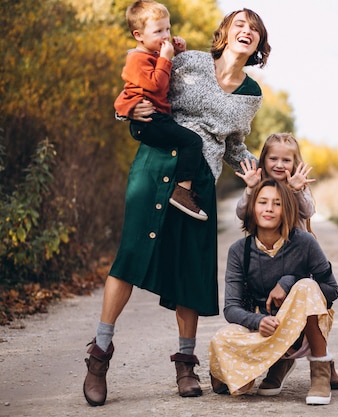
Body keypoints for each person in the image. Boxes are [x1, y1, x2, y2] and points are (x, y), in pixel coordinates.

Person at [82, 7, 271, 406]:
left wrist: (259, 170)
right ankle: (99, 355)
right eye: (240, 23)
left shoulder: (251, 94)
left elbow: (234, 143)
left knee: (191, 269)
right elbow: (142, 86)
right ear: (224, 32)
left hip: (199, 180)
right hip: (154, 164)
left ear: (259, 43)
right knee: (131, 258)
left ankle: (185, 363)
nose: (246, 31)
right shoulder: (187, 62)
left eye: (254, 29)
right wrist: (124, 110)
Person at [208, 179, 338, 405]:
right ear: (252, 208)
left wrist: (290, 282)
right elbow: (231, 308)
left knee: (306, 286)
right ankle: (280, 362)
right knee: (221, 340)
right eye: (263, 202)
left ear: (286, 210)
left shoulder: (305, 243)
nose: (269, 208)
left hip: (304, 330)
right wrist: (259, 321)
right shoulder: (239, 250)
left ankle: (320, 372)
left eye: (277, 204)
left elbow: (331, 290)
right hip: (265, 329)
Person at [234, 132, 338, 389]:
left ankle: (325, 365)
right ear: (264, 159)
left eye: (286, 159)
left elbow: (308, 211)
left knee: (311, 313)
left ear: (295, 163)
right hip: (267, 261)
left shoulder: (298, 185)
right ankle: (278, 364)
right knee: (272, 314)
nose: (280, 165)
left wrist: (296, 190)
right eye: (273, 158)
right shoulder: (258, 185)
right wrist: (250, 189)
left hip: (299, 265)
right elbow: (242, 213)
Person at [114, 0, 207, 221]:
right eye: (158, 31)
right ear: (139, 35)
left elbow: (163, 80)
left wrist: (176, 55)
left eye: (168, 28)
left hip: (155, 120)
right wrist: (165, 58)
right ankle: (181, 192)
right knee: (193, 142)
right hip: (149, 122)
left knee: (184, 142)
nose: (165, 35)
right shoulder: (136, 59)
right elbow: (156, 85)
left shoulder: (153, 56)